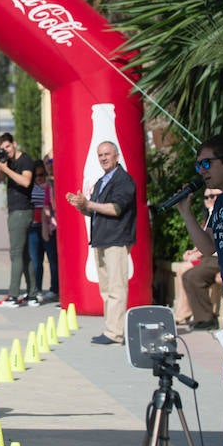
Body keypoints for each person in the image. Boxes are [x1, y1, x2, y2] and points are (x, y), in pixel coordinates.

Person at [174, 135, 223, 446]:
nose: (202, 171)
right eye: (198, 165)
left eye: (206, 164)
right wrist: (186, 213)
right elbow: (209, 248)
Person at [66, 141, 136, 345]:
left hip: (117, 238)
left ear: (117, 156)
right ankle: (110, 329)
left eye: (107, 154)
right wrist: (81, 205)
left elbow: (115, 209)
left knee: (116, 288)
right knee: (106, 289)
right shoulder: (101, 181)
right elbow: (94, 210)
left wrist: (88, 204)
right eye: (100, 155)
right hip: (101, 239)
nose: (103, 158)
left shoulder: (124, 180)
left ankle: (115, 333)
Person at [0, 132, 37, 308]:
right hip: (16, 211)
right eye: (2, 148)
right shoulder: (7, 162)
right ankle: (33, 295)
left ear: (14, 144)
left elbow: (25, 181)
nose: (6, 151)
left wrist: (5, 168)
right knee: (24, 255)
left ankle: (14, 296)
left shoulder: (25, 160)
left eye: (8, 147)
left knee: (15, 253)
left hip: (22, 212)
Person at [172, 188, 223, 330]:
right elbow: (207, 241)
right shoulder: (210, 214)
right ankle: (199, 316)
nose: (210, 199)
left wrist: (198, 253)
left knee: (192, 275)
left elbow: (214, 245)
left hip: (220, 258)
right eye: (207, 197)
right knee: (187, 274)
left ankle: (205, 318)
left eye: (213, 196)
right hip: (210, 257)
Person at [28, 160, 58, 304]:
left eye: (41, 175)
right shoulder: (30, 188)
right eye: (35, 175)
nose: (38, 178)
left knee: (52, 259)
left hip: (48, 226)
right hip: (34, 228)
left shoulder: (50, 186)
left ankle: (54, 289)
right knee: (36, 261)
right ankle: (37, 289)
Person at [39, 155, 60, 303]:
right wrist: (45, 226)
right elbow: (46, 205)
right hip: (53, 226)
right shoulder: (48, 184)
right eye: (46, 163)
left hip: (65, 228)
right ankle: (55, 290)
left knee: (63, 260)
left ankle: (64, 291)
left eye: (51, 162)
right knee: (52, 259)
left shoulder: (62, 178)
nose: (49, 165)